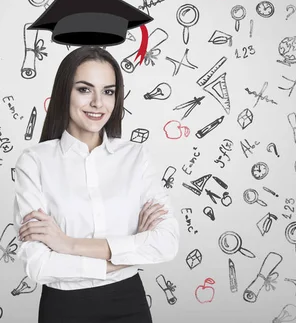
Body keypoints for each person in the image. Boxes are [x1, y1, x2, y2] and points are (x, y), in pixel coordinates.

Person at [13, 46, 180, 323]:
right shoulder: (35, 162)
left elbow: (166, 243)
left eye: (108, 91)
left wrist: (67, 244)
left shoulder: (136, 157)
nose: (98, 103)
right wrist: (127, 252)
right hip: (64, 309)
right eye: (84, 89)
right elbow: (38, 265)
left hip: (129, 303)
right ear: (64, 92)